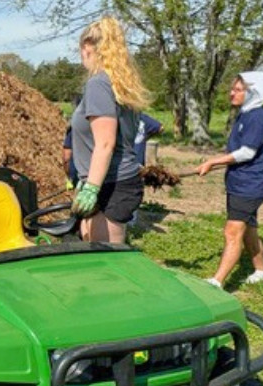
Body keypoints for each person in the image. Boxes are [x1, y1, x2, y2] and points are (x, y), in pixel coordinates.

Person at [69, 16, 150, 243]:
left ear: (87, 47)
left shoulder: (98, 84)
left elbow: (105, 143)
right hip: (109, 180)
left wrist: (91, 189)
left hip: (111, 185)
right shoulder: (120, 85)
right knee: (90, 247)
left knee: (105, 263)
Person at [197, 72, 263, 288]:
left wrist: (214, 161)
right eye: (232, 89)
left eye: (238, 90)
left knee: (232, 231)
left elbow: (247, 153)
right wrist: (216, 164)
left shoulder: (258, 117)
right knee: (248, 228)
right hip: (240, 181)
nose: (232, 93)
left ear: (254, 93)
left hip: (251, 185)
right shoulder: (245, 114)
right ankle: (262, 271)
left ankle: (217, 281)